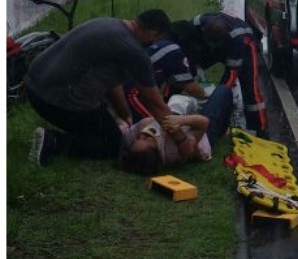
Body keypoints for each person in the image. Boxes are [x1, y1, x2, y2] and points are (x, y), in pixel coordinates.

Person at [26, 10, 195, 166]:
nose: (153, 44)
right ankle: (53, 141)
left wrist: (124, 113)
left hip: (33, 87)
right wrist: (181, 140)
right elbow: (155, 105)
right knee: (113, 144)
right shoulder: (134, 52)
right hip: (55, 99)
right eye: (156, 40)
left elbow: (112, 81)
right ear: (153, 34)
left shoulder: (108, 23)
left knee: (106, 127)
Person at [186, 12, 267, 135]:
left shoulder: (239, 40)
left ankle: (260, 129)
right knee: (188, 68)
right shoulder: (196, 24)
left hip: (245, 46)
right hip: (212, 41)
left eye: (215, 44)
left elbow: (231, 76)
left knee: (250, 87)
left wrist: (217, 99)